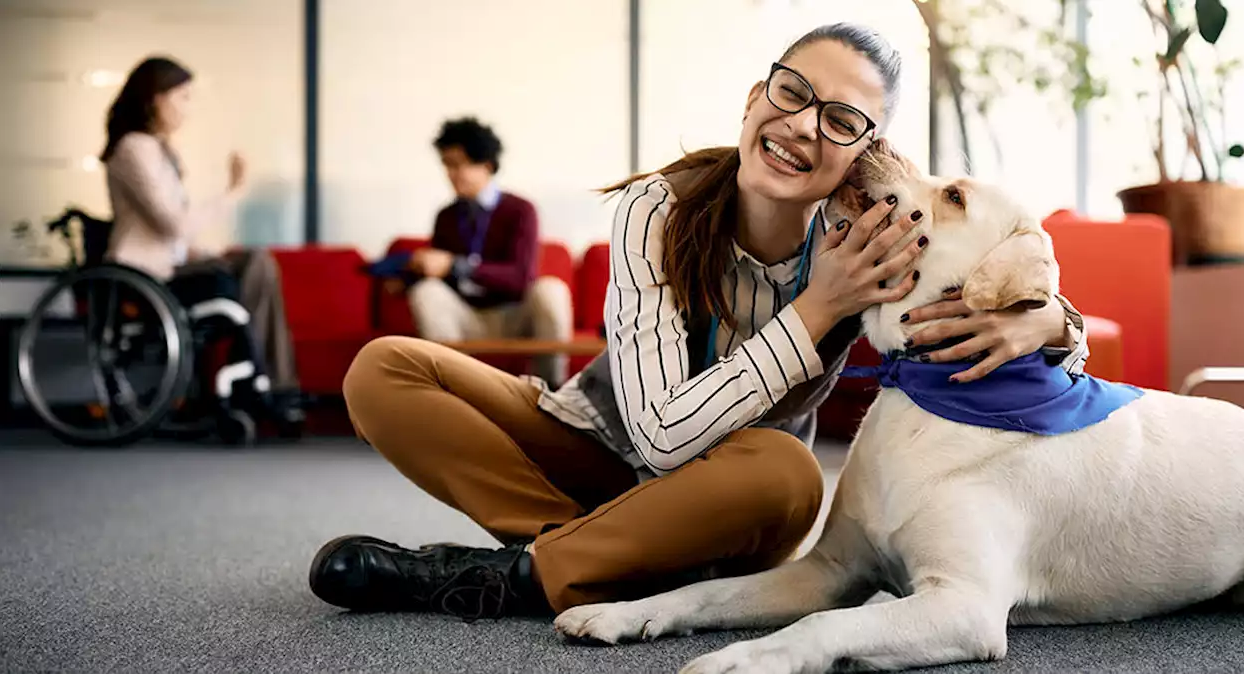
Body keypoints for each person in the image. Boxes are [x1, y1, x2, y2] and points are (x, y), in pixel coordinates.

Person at [309, 24, 1088, 619]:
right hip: (599, 444)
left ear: (864, 152)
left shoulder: (873, 232)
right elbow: (657, 438)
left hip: (733, 497)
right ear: (755, 100)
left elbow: (989, 265)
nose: (804, 126)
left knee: (786, 474)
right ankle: (593, 557)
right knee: (385, 368)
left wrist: (1050, 322)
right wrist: (819, 305)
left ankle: (525, 575)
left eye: (842, 119)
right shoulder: (660, 207)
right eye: (791, 94)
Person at [101, 56, 303, 422]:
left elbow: (171, 236)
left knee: (257, 262)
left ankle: (267, 384)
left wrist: (207, 252)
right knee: (253, 266)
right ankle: (265, 387)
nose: (187, 108)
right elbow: (171, 225)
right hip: (145, 278)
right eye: (182, 97)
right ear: (153, 99)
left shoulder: (160, 150)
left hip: (170, 266)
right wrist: (234, 191)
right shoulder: (134, 148)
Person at [404, 117, 572, 386]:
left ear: (487, 165)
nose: (453, 173)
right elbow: (442, 280)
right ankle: (450, 392)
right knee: (426, 292)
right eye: (447, 165)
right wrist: (411, 276)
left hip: (514, 313)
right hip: (466, 315)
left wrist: (456, 265)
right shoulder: (446, 216)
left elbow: (521, 278)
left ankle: (553, 394)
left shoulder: (520, 210)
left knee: (551, 290)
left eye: (461, 164)